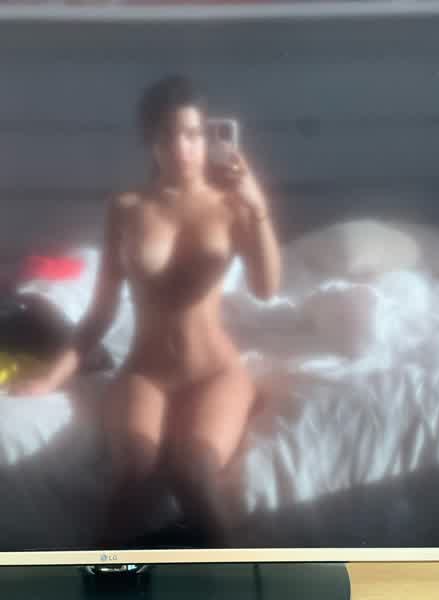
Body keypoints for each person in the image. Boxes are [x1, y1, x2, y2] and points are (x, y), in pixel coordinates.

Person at [11, 75, 281, 547]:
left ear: (206, 138)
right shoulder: (127, 207)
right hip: (146, 373)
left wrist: (257, 208)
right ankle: (99, 580)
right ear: (150, 141)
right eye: (168, 135)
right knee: (133, 473)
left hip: (214, 372)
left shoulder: (232, 205)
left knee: (191, 473)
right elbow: (101, 311)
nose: (182, 148)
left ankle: (237, 579)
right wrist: (52, 377)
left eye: (193, 134)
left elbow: (265, 288)